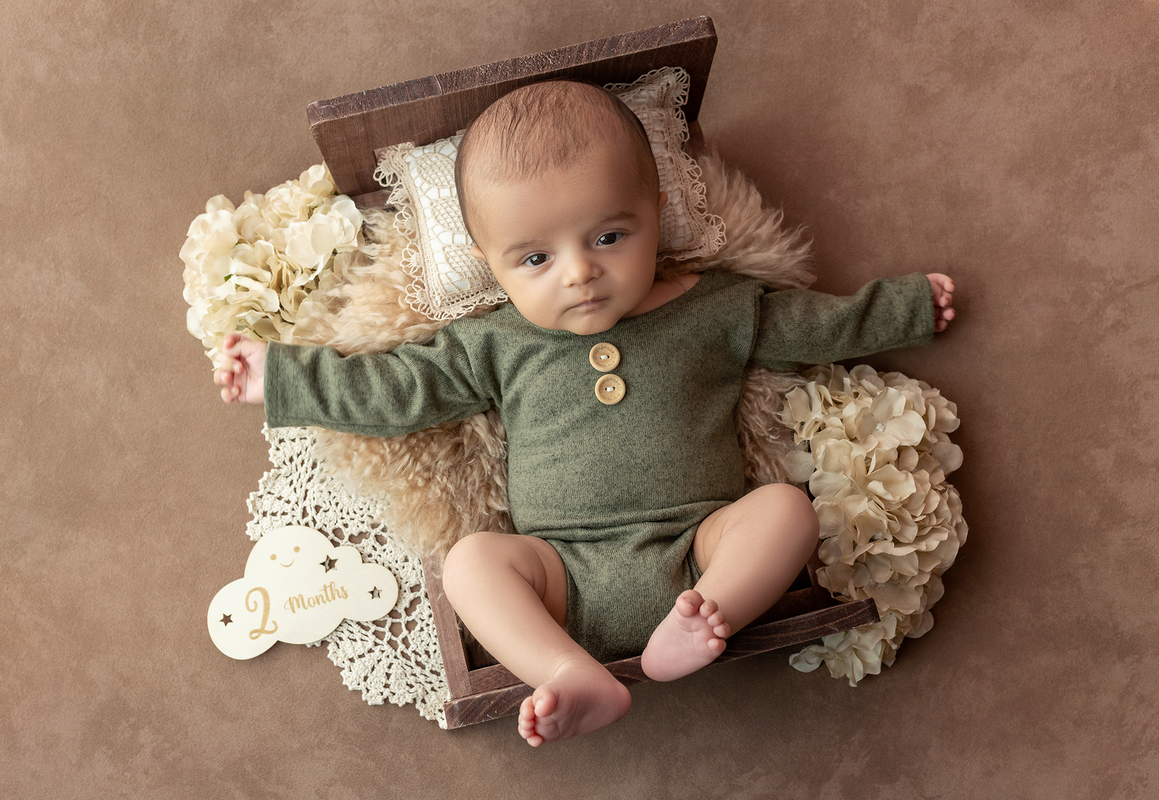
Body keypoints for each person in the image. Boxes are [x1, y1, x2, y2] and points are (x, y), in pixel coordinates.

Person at [215, 81, 956, 747]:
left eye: (609, 237)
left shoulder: (714, 309)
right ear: (489, 262)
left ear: (655, 215)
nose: (579, 272)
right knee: (472, 562)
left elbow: (816, 325)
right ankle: (567, 671)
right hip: (557, 572)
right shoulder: (494, 340)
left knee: (786, 511)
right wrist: (279, 379)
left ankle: (703, 620)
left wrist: (908, 306)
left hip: (701, 546)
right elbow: (394, 391)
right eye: (534, 259)